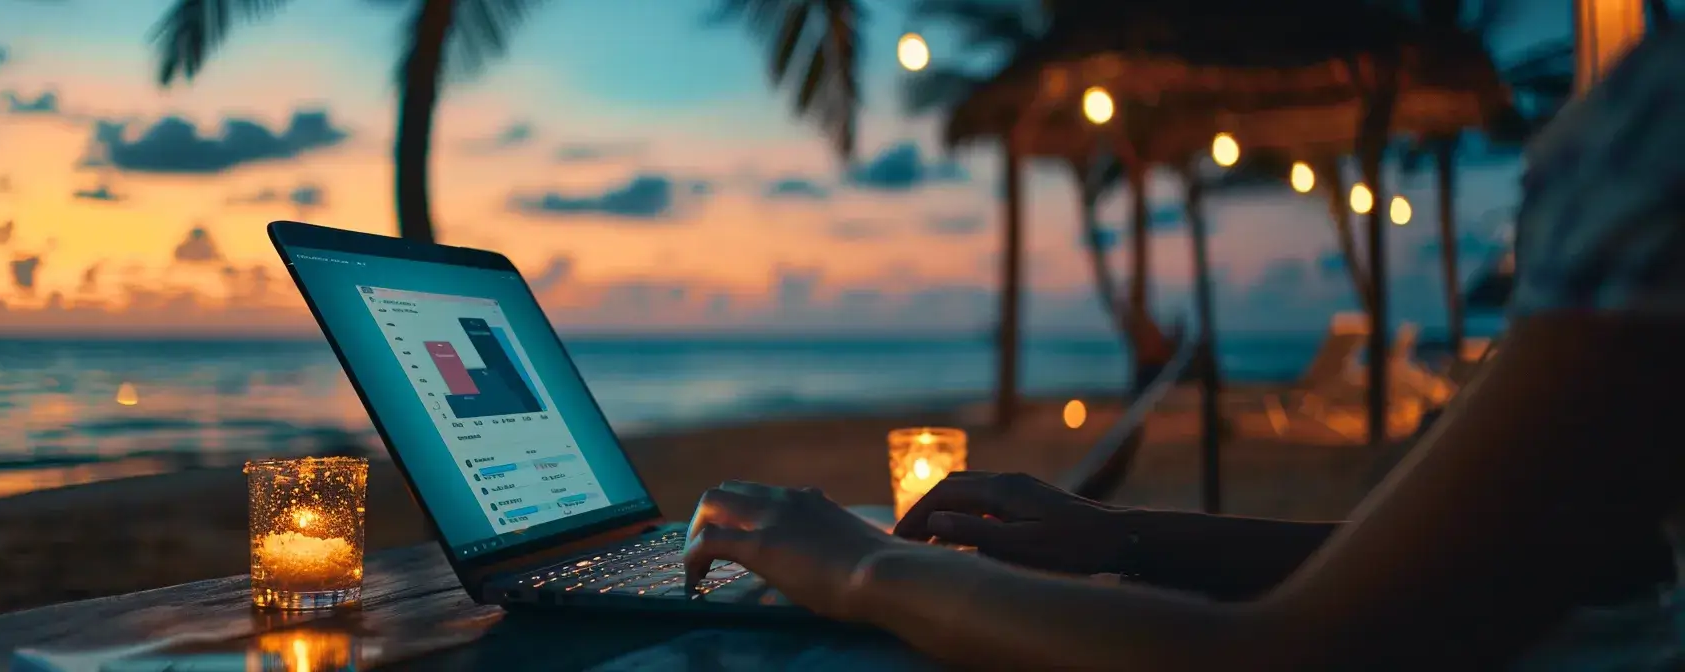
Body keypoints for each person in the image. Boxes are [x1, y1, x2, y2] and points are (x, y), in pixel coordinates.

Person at [680, 28, 1685, 671]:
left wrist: (858, 568)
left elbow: (1292, 653)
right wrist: (1122, 537)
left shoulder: (1659, 133)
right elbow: (1551, 561)